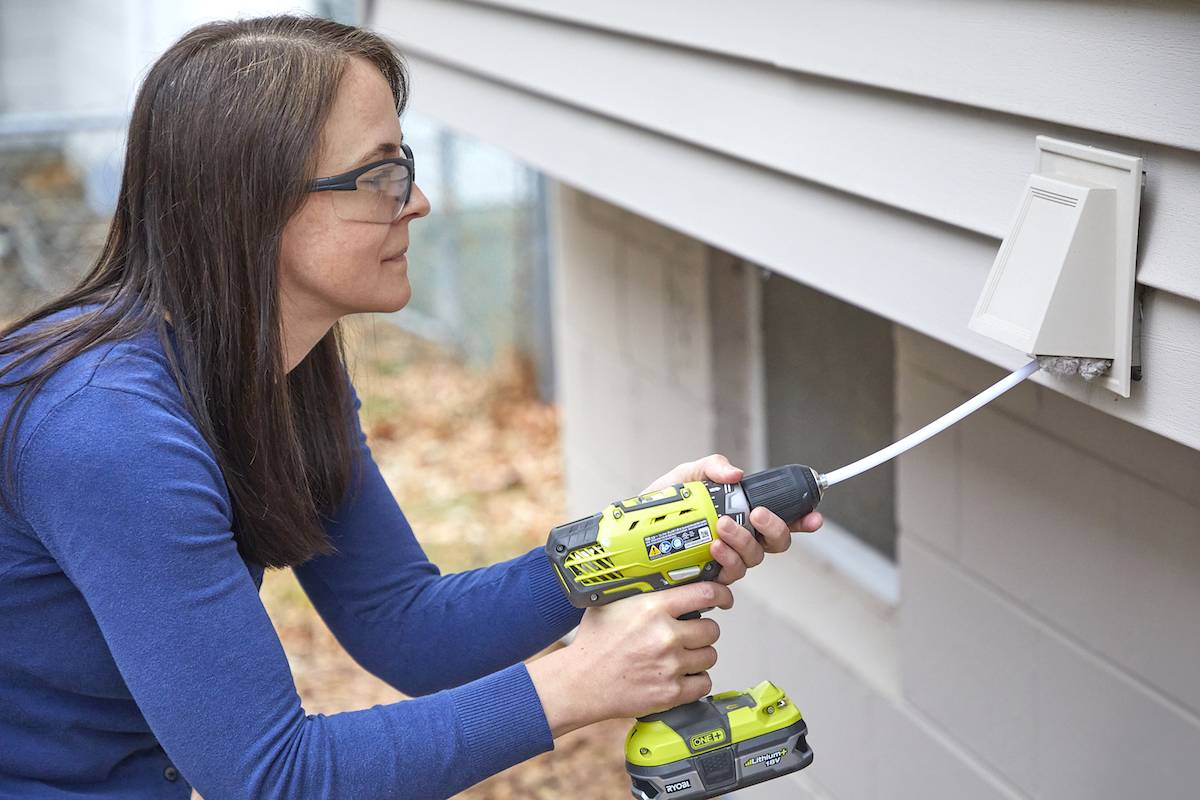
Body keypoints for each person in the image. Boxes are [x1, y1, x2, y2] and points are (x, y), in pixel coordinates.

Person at [0, 15, 822, 800]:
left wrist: (617, 547)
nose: (417, 202)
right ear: (257, 202)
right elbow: (272, 777)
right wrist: (576, 682)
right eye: (381, 175)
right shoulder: (104, 428)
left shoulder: (282, 371)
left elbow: (407, 627)